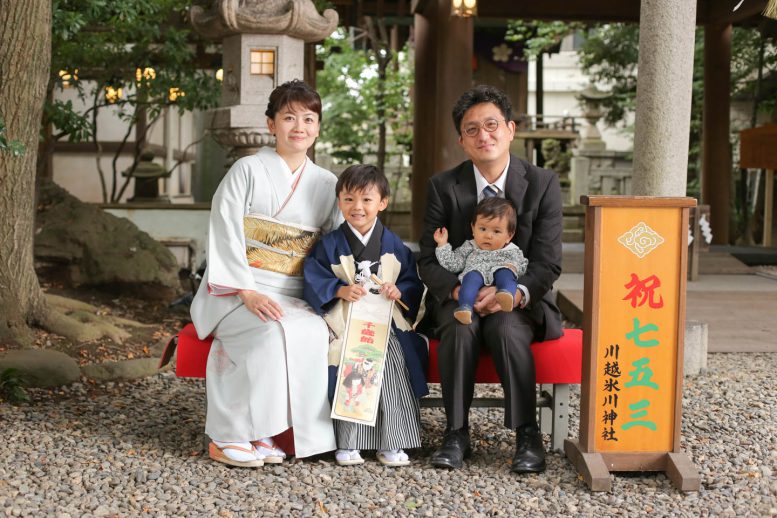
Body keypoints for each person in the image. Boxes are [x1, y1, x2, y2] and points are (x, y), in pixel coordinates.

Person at [190, 80, 342, 468]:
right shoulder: (247, 170)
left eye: (309, 119)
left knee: (309, 329)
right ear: (271, 124)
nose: (299, 127)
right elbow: (224, 230)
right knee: (273, 330)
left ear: (318, 127)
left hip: (297, 290)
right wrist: (246, 291)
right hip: (239, 288)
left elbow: (335, 246)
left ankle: (274, 433)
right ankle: (228, 436)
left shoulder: (327, 184)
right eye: (289, 117)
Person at [417, 84, 563, 473]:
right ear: (461, 141)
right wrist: (454, 289)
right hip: (459, 294)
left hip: (517, 299)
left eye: (492, 124)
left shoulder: (543, 183)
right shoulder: (442, 186)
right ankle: (455, 432)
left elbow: (547, 263)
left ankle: (527, 433)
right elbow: (429, 258)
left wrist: (510, 294)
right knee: (460, 327)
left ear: (510, 130)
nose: (484, 135)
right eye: (472, 129)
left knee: (505, 327)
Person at [303, 164, 429, 467]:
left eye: (366, 200)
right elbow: (313, 276)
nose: (357, 207)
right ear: (339, 202)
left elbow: (412, 282)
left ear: (382, 203)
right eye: (348, 199)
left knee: (393, 361)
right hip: (346, 321)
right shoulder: (330, 244)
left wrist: (399, 291)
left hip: (385, 323)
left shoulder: (395, 245)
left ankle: (393, 441)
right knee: (353, 361)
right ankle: (348, 442)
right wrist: (338, 290)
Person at [433, 197, 528, 325]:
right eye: (482, 229)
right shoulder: (469, 246)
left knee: (506, 274)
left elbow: (522, 266)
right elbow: (454, 264)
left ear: (509, 235)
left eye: (496, 231)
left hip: (501, 271)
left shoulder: (513, 250)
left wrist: (512, 267)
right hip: (476, 272)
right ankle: (465, 308)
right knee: (470, 279)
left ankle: (506, 295)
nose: (488, 235)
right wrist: (442, 245)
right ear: (473, 228)